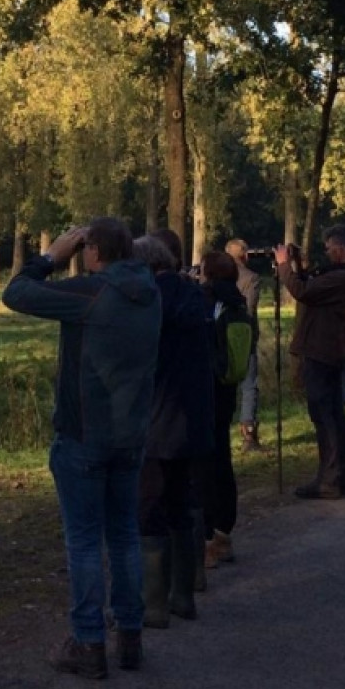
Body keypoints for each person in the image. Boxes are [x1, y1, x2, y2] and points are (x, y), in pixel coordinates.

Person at [2, 218, 161, 678]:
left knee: (86, 542)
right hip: (132, 435)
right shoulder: (151, 293)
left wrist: (52, 256)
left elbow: (15, 293)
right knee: (125, 534)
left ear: (92, 250)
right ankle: (130, 636)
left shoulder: (92, 293)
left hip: (86, 433)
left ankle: (89, 642)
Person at [132, 235, 214, 629]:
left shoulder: (150, 300)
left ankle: (154, 605)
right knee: (182, 502)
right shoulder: (195, 296)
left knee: (149, 506)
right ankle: (184, 595)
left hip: (157, 416)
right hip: (194, 418)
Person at [275, 226, 345, 499]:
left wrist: (284, 266)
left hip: (322, 351)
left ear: (341, 248)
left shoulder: (342, 278)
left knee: (324, 415)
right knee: (334, 415)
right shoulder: (338, 276)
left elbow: (303, 291)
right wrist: (296, 263)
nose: (327, 251)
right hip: (330, 350)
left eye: (329, 247)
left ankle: (330, 479)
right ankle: (341, 474)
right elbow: (312, 285)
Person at [197, 251, 247, 568]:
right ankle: (224, 533)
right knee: (223, 459)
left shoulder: (209, 302)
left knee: (203, 464)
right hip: (228, 387)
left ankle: (206, 540)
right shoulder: (238, 303)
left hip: (207, 387)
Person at [225, 239, 262, 451]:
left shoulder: (211, 276)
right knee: (249, 385)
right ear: (245, 255)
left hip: (220, 338)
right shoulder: (251, 278)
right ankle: (248, 433)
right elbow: (250, 309)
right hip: (244, 338)